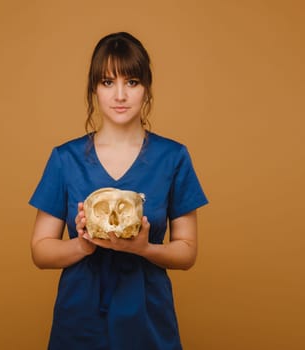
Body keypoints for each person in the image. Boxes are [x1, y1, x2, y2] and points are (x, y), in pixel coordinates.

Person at [29, 32, 208, 350]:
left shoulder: (173, 157)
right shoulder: (65, 159)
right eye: (108, 82)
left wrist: (144, 249)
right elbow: (41, 251)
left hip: (148, 321)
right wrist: (82, 246)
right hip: (80, 319)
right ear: (94, 89)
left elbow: (187, 251)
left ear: (147, 88)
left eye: (133, 81)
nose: (120, 95)